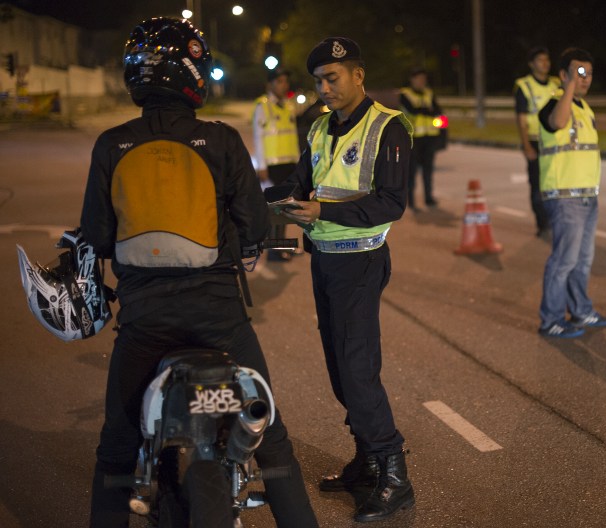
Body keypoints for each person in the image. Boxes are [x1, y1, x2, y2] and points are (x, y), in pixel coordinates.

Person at [79, 17, 318, 527]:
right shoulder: (221, 141)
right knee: (273, 444)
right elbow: (254, 225)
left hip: (144, 321)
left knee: (115, 452)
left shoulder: (111, 144)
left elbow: (98, 237)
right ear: (190, 71)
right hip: (219, 317)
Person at [280, 37, 416, 522]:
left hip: (360, 261)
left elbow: (391, 202)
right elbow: (302, 181)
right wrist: (283, 203)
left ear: (358, 75)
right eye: (318, 80)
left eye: (332, 78)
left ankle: (394, 475)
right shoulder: (319, 126)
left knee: (357, 368)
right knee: (340, 367)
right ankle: (366, 461)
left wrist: (321, 209)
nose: (324, 88)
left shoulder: (389, 126)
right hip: (325, 260)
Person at [537, 47, 606, 338]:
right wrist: (568, 86)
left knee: (583, 260)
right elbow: (557, 123)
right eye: (578, 72)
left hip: (587, 196)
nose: (585, 78)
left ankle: (581, 310)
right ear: (563, 75)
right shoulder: (552, 105)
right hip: (564, 196)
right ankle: (551, 319)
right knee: (563, 261)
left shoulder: (585, 109)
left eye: (588, 73)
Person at [252, 66, 302, 261]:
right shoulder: (262, 107)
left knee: (287, 209)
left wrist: (299, 164)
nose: (284, 85)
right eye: (279, 81)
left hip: (288, 165)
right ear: (269, 84)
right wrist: (261, 166)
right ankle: (274, 251)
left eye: (285, 81)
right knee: (275, 210)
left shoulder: (289, 106)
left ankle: (284, 246)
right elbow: (258, 137)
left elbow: (293, 137)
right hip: (272, 167)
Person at [514, 46, 560, 239]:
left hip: (555, 142)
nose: (545, 63)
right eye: (540, 60)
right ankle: (543, 224)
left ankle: (555, 219)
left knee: (555, 183)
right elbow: (522, 119)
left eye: (546, 60)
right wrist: (526, 146)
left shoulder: (556, 84)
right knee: (537, 186)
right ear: (531, 64)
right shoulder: (524, 86)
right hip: (534, 141)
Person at [399, 67, 443, 210]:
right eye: (419, 78)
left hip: (430, 137)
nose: (421, 81)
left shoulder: (429, 93)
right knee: (412, 171)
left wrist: (426, 112)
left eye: (424, 79)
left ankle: (428, 198)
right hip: (413, 138)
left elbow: (438, 111)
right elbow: (411, 110)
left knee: (428, 169)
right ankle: (411, 201)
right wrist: (427, 111)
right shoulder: (405, 94)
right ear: (412, 79)